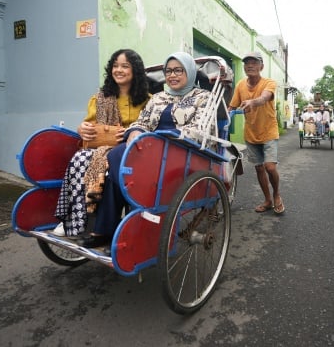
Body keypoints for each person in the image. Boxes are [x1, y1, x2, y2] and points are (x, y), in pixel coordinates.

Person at [80, 51, 213, 247]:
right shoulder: (159, 97)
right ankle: (111, 226)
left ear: (190, 72)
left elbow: (201, 130)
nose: (172, 75)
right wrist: (134, 131)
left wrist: (166, 137)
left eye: (178, 70)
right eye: (168, 71)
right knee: (117, 155)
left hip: (181, 151)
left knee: (119, 162)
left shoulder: (203, 98)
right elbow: (142, 121)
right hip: (152, 147)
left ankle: (125, 217)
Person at [52, 49, 150, 238]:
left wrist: (130, 133)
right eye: (115, 66)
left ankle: (109, 224)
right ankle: (74, 220)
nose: (118, 70)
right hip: (101, 147)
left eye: (125, 66)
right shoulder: (100, 98)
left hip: (132, 152)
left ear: (135, 71)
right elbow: (89, 126)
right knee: (80, 159)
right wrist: (83, 128)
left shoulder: (149, 101)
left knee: (111, 164)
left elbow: (150, 128)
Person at [228, 51, 284, 215]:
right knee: (259, 168)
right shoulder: (240, 85)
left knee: (270, 167)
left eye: (254, 62)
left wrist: (254, 101)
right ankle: (267, 200)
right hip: (251, 133)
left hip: (269, 131)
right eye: (247, 63)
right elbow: (232, 106)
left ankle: (277, 195)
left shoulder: (269, 83)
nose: (250, 65)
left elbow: (265, 98)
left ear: (261, 66)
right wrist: (222, 115)